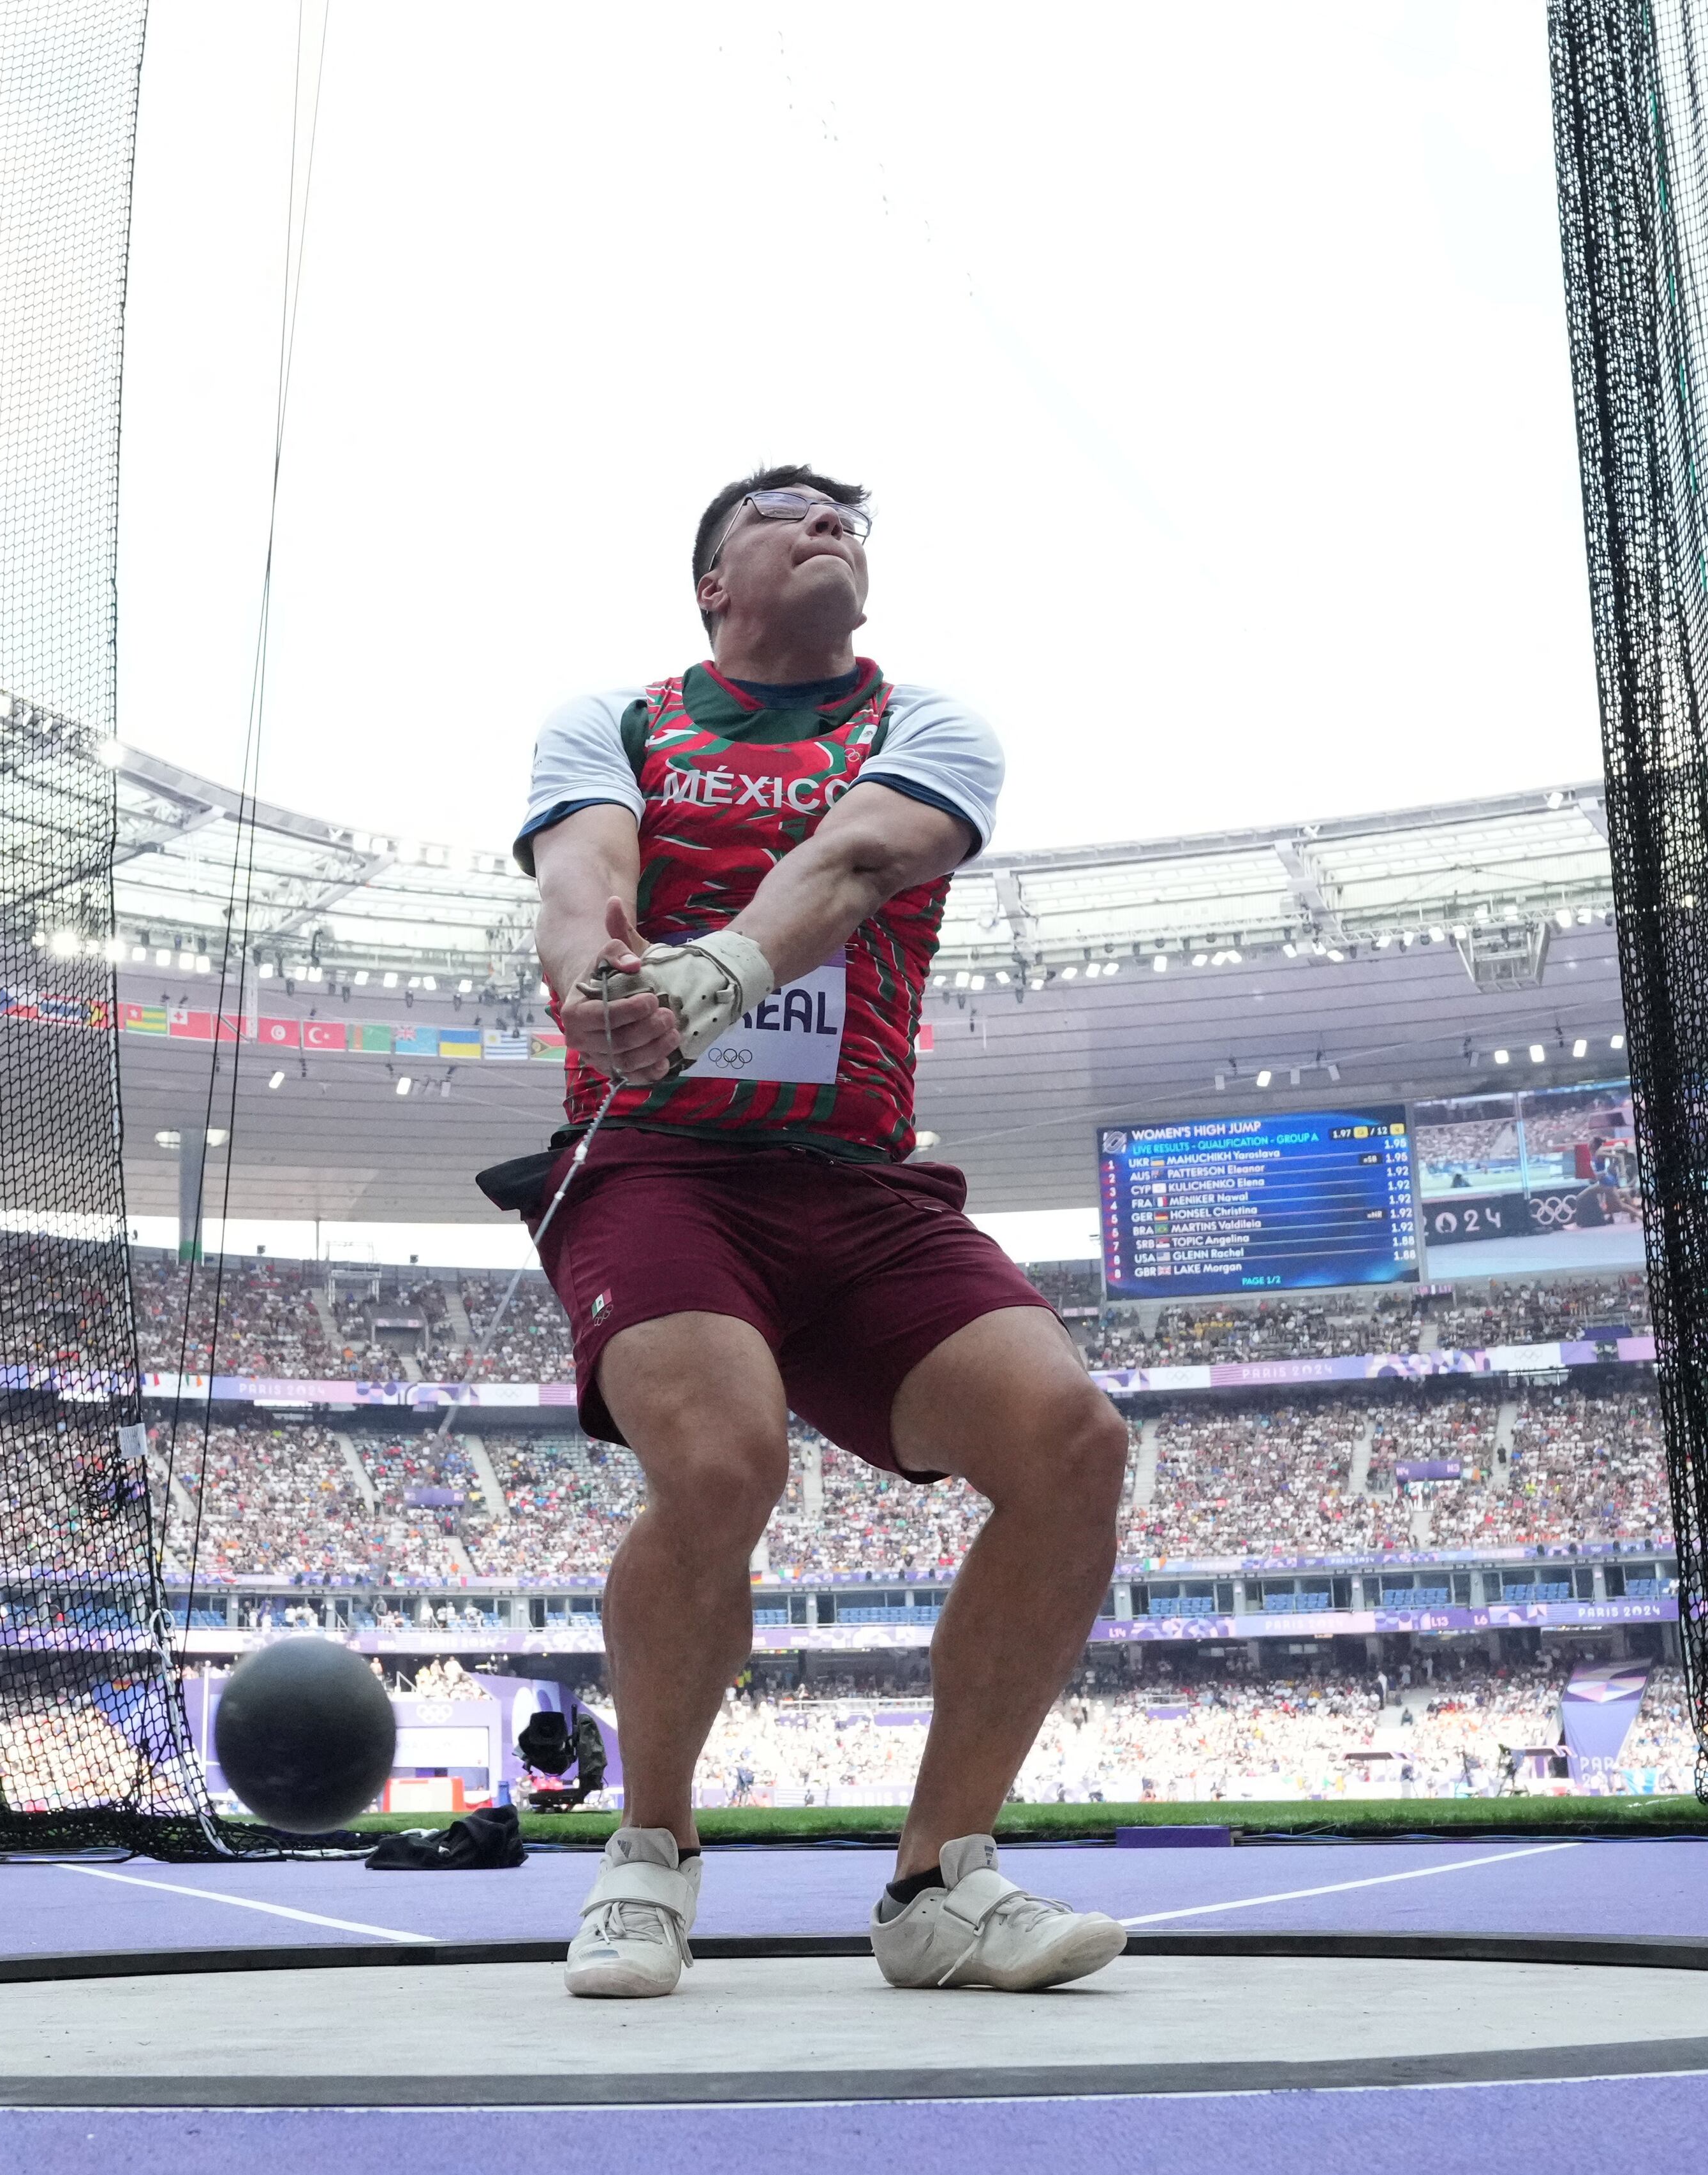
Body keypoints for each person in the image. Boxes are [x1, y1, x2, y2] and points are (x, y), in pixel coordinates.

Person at [515, 464, 1130, 1999]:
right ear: (713, 581)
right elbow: (584, 875)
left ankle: (939, 1885)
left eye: (849, 516)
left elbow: (858, 861)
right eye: (786, 511)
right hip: (658, 1162)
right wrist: (602, 989)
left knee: (1072, 1444)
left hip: (856, 1184)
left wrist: (712, 979)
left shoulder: (927, 722)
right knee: (723, 1460)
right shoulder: (619, 719)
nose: (830, 523)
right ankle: (648, 1858)